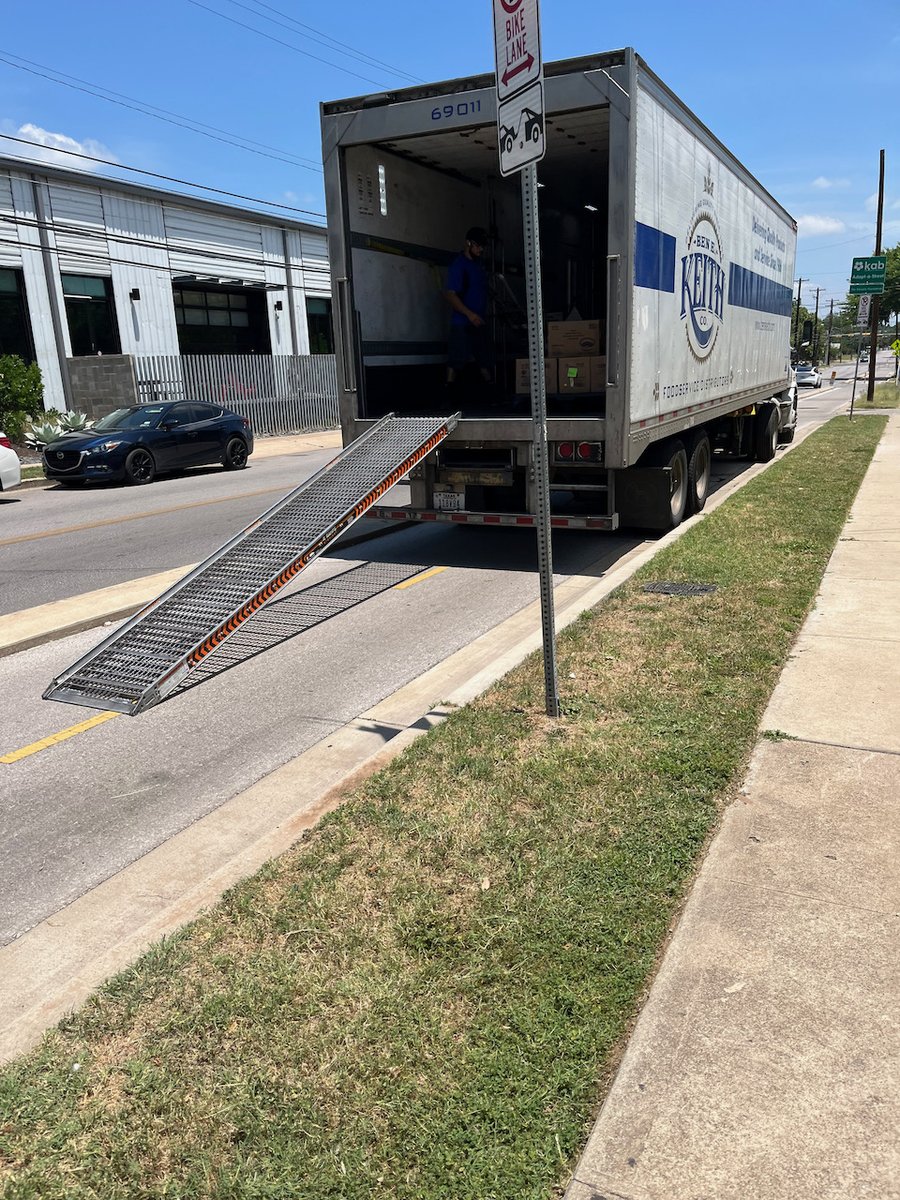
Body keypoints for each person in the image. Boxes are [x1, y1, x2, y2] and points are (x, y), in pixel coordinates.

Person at [444, 226, 492, 385]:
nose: (481, 249)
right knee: (456, 359)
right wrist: (469, 314)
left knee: (483, 358)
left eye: (482, 246)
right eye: (478, 245)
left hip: (478, 320)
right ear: (468, 243)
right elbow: (451, 295)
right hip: (463, 322)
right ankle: (449, 394)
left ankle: (490, 391)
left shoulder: (479, 266)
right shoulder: (459, 266)